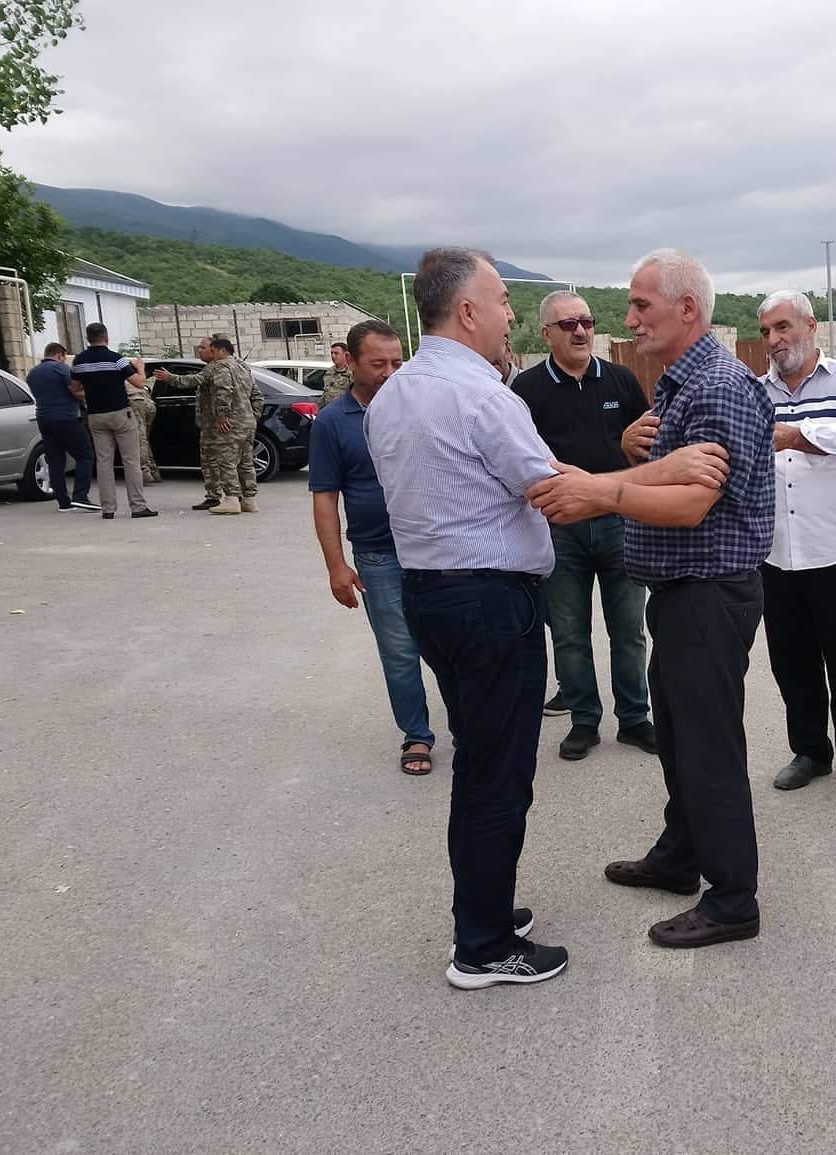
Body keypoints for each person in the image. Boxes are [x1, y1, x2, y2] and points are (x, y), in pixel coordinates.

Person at [530, 249, 774, 950]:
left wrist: (601, 489)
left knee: (708, 747)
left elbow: (695, 502)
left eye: (641, 306)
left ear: (687, 309)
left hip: (707, 595)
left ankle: (732, 897)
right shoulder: (676, 385)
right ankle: (680, 856)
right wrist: (632, 453)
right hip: (681, 593)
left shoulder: (717, 387)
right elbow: (670, 473)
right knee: (679, 737)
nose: (626, 319)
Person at [364, 247, 566, 990]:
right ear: (470, 310)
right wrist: (653, 478)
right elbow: (551, 489)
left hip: (432, 595)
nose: (513, 313)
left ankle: (488, 908)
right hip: (488, 602)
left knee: (481, 759)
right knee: (497, 773)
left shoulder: (393, 394)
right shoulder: (483, 397)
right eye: (506, 298)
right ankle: (482, 946)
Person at [753, 291, 836, 806]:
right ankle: (810, 751)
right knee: (792, 660)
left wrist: (791, 435)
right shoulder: (755, 389)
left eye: (783, 327)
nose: (774, 341)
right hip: (776, 551)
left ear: (811, 326)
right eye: (767, 331)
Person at [512, 290, 656, 762]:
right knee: (569, 633)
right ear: (546, 333)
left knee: (630, 630)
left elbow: (647, 453)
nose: (580, 331)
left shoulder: (621, 380)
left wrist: (625, 455)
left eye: (587, 322)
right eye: (568, 324)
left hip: (620, 524)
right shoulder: (525, 392)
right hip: (559, 530)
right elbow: (520, 460)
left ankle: (635, 718)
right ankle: (584, 721)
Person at [310, 320, 435, 776]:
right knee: (400, 650)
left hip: (434, 547)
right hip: (378, 555)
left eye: (397, 363)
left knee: (451, 642)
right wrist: (336, 566)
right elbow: (325, 498)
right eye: (378, 364)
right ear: (350, 362)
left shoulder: (419, 408)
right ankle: (417, 734)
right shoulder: (331, 423)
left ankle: (468, 721)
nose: (390, 372)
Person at [157, 335, 258, 515]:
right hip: (246, 422)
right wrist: (252, 416)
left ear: (220, 350)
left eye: (209, 349)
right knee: (245, 462)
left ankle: (232, 499)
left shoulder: (220, 366)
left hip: (230, 423)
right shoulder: (242, 367)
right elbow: (257, 395)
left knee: (226, 461)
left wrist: (222, 416)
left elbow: (222, 391)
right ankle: (249, 500)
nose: (204, 351)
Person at [69, 324, 155, 520]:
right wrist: (141, 369)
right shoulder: (116, 359)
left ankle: (108, 508)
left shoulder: (79, 361)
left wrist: (91, 394)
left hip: (96, 416)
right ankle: (138, 506)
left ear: (88, 338)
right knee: (131, 461)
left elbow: (74, 389)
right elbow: (140, 383)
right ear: (106, 337)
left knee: (104, 463)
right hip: (120, 414)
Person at [25, 342, 97, 512]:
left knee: (55, 460)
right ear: (59, 355)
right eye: (63, 358)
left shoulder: (32, 373)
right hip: (66, 418)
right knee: (85, 455)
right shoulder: (61, 369)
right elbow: (75, 390)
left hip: (43, 418)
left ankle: (63, 502)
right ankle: (81, 496)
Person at [127, 355, 161, 484]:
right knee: (144, 439)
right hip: (149, 405)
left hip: (136, 404)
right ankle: (153, 469)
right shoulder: (138, 378)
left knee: (140, 439)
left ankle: (144, 472)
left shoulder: (125, 377)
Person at [318, 341, 353, 411]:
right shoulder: (330, 371)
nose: (333, 356)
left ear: (345, 355)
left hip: (343, 411)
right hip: (328, 410)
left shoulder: (352, 372)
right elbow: (326, 392)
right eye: (331, 353)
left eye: (336, 353)